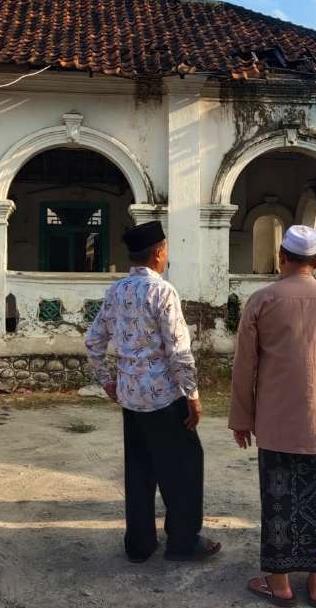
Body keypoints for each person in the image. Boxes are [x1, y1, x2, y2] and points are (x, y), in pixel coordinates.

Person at [229, 225, 316, 608]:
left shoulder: (262, 300)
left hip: (274, 422)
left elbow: (245, 366)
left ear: (281, 257)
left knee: (278, 498)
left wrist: (241, 418)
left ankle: (280, 583)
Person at [84, 220, 222, 564]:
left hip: (130, 397)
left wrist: (107, 381)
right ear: (159, 253)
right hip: (164, 398)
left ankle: (140, 544)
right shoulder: (163, 292)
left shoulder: (116, 290)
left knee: (140, 469)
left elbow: (93, 340)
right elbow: (178, 350)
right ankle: (183, 541)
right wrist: (192, 395)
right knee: (185, 466)